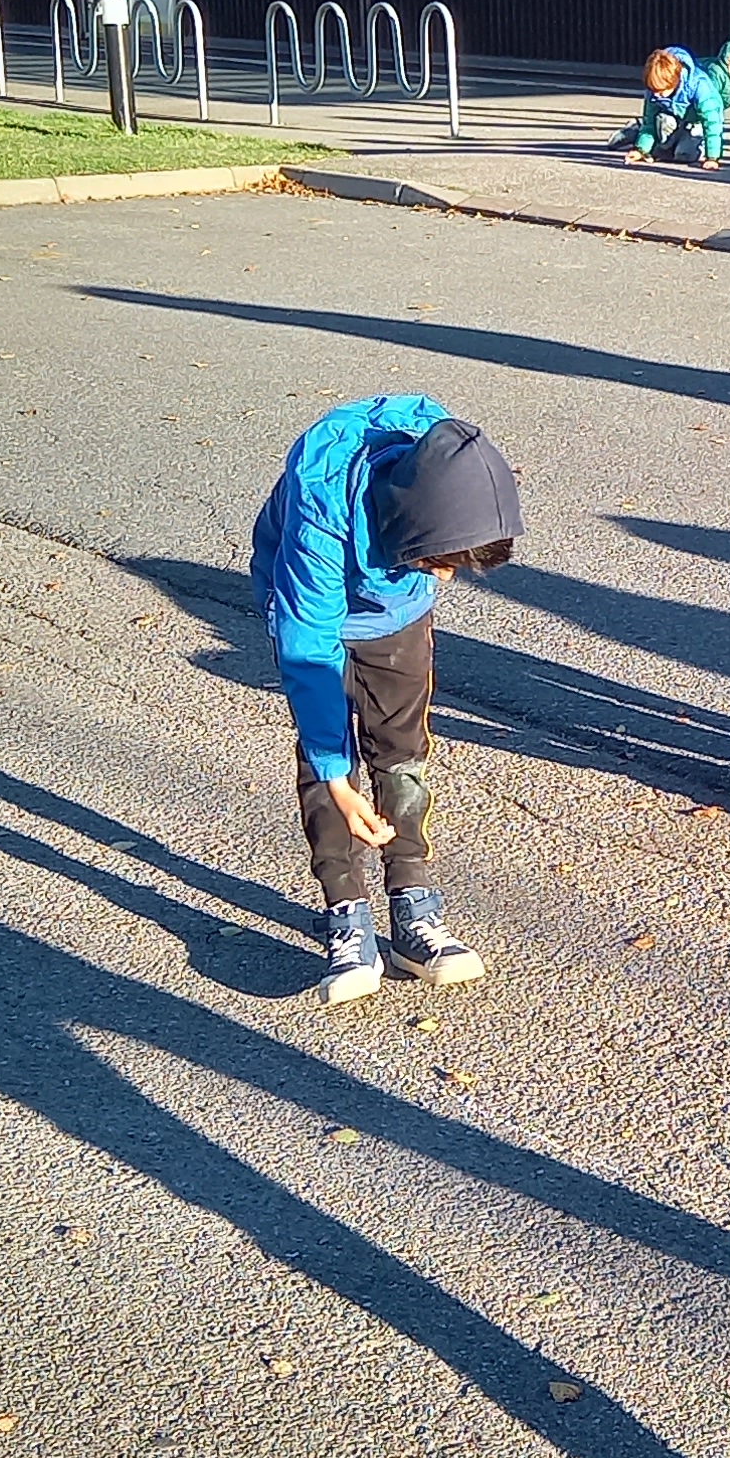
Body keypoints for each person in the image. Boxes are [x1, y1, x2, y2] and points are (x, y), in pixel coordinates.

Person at [251, 394, 525, 1005]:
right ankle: (346, 914)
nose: (447, 576)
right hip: (315, 611)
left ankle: (412, 906)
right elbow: (309, 653)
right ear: (410, 527)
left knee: (403, 750)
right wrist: (336, 778)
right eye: (441, 561)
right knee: (330, 758)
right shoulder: (322, 513)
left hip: (396, 614)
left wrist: (421, 573)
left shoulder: (442, 463)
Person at [620, 47, 730, 169]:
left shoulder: (700, 86)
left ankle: (638, 132)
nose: (657, 95)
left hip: (696, 123)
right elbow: (650, 122)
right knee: (662, 127)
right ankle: (647, 140)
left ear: (674, 81)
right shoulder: (653, 91)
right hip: (671, 120)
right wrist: (640, 150)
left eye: (661, 90)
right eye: (654, 90)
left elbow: (712, 122)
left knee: (684, 155)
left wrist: (712, 157)